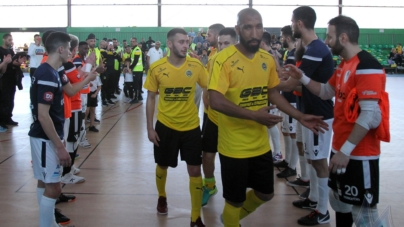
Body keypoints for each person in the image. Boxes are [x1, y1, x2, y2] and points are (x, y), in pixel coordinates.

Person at [208, 8, 328, 227]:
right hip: (233, 146)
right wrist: (254, 115)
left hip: (260, 145)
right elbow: (215, 100)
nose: (254, 33)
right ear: (238, 30)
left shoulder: (266, 59)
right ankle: (232, 221)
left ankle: (230, 220)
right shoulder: (223, 60)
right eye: (248, 27)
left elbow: (273, 93)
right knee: (235, 200)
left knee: (265, 194)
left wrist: (300, 116)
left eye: (259, 27)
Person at [284, 15, 389, 227]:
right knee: (339, 202)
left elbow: (368, 115)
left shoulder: (368, 65)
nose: (326, 42)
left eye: (330, 37)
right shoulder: (343, 65)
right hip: (340, 149)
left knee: (365, 215)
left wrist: (345, 151)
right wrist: (302, 77)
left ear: (343, 37)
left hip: (359, 154)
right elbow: (324, 91)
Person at [29, 31, 96, 227]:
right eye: (68, 48)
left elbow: (71, 90)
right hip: (45, 138)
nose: (70, 52)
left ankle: (50, 224)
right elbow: (43, 115)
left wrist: (88, 78)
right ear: (60, 49)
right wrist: (59, 146)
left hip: (49, 136)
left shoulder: (55, 71)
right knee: (54, 188)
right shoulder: (47, 74)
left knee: (45, 182)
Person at [277, 6, 335, 225]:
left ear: (299, 23)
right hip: (308, 111)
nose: (291, 26)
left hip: (318, 115)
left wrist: (269, 85)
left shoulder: (315, 49)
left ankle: (323, 211)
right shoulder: (311, 48)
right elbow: (298, 84)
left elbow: (294, 84)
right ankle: (313, 199)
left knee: (320, 162)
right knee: (313, 157)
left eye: (292, 22)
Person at [144, 28, 208, 227]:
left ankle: (195, 216)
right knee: (162, 165)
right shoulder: (157, 68)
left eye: (187, 41)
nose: (185, 45)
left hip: (190, 127)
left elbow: (211, 87)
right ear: (169, 44)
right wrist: (149, 128)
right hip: (165, 126)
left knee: (195, 170)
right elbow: (151, 98)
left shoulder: (196, 65)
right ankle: (162, 196)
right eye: (181, 42)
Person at [201, 27, 237, 207]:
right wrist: (205, 97)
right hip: (212, 116)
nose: (222, 47)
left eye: (226, 44)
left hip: (232, 117)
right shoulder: (213, 58)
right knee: (207, 154)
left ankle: (234, 193)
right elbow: (208, 84)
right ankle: (209, 185)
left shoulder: (241, 63)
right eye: (221, 43)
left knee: (231, 159)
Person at [275, 25, 300, 179]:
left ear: (288, 38)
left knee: (292, 133)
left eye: (282, 37)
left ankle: (292, 166)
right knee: (286, 131)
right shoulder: (290, 53)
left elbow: (285, 76)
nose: (281, 39)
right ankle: (287, 161)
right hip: (286, 97)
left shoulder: (293, 55)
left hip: (292, 99)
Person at [260, 32, 282, 162]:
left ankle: (278, 152)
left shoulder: (269, 55)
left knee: (271, 124)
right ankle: (269, 151)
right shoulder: (271, 53)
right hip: (267, 93)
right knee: (267, 123)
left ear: (262, 43)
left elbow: (278, 73)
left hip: (271, 93)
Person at [130, 37, 143, 103]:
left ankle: (136, 98)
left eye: (133, 41)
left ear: (136, 42)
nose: (132, 42)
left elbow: (135, 60)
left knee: (136, 84)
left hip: (137, 69)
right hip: (138, 69)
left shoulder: (137, 49)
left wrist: (130, 67)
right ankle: (139, 96)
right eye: (131, 41)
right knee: (139, 83)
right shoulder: (134, 49)